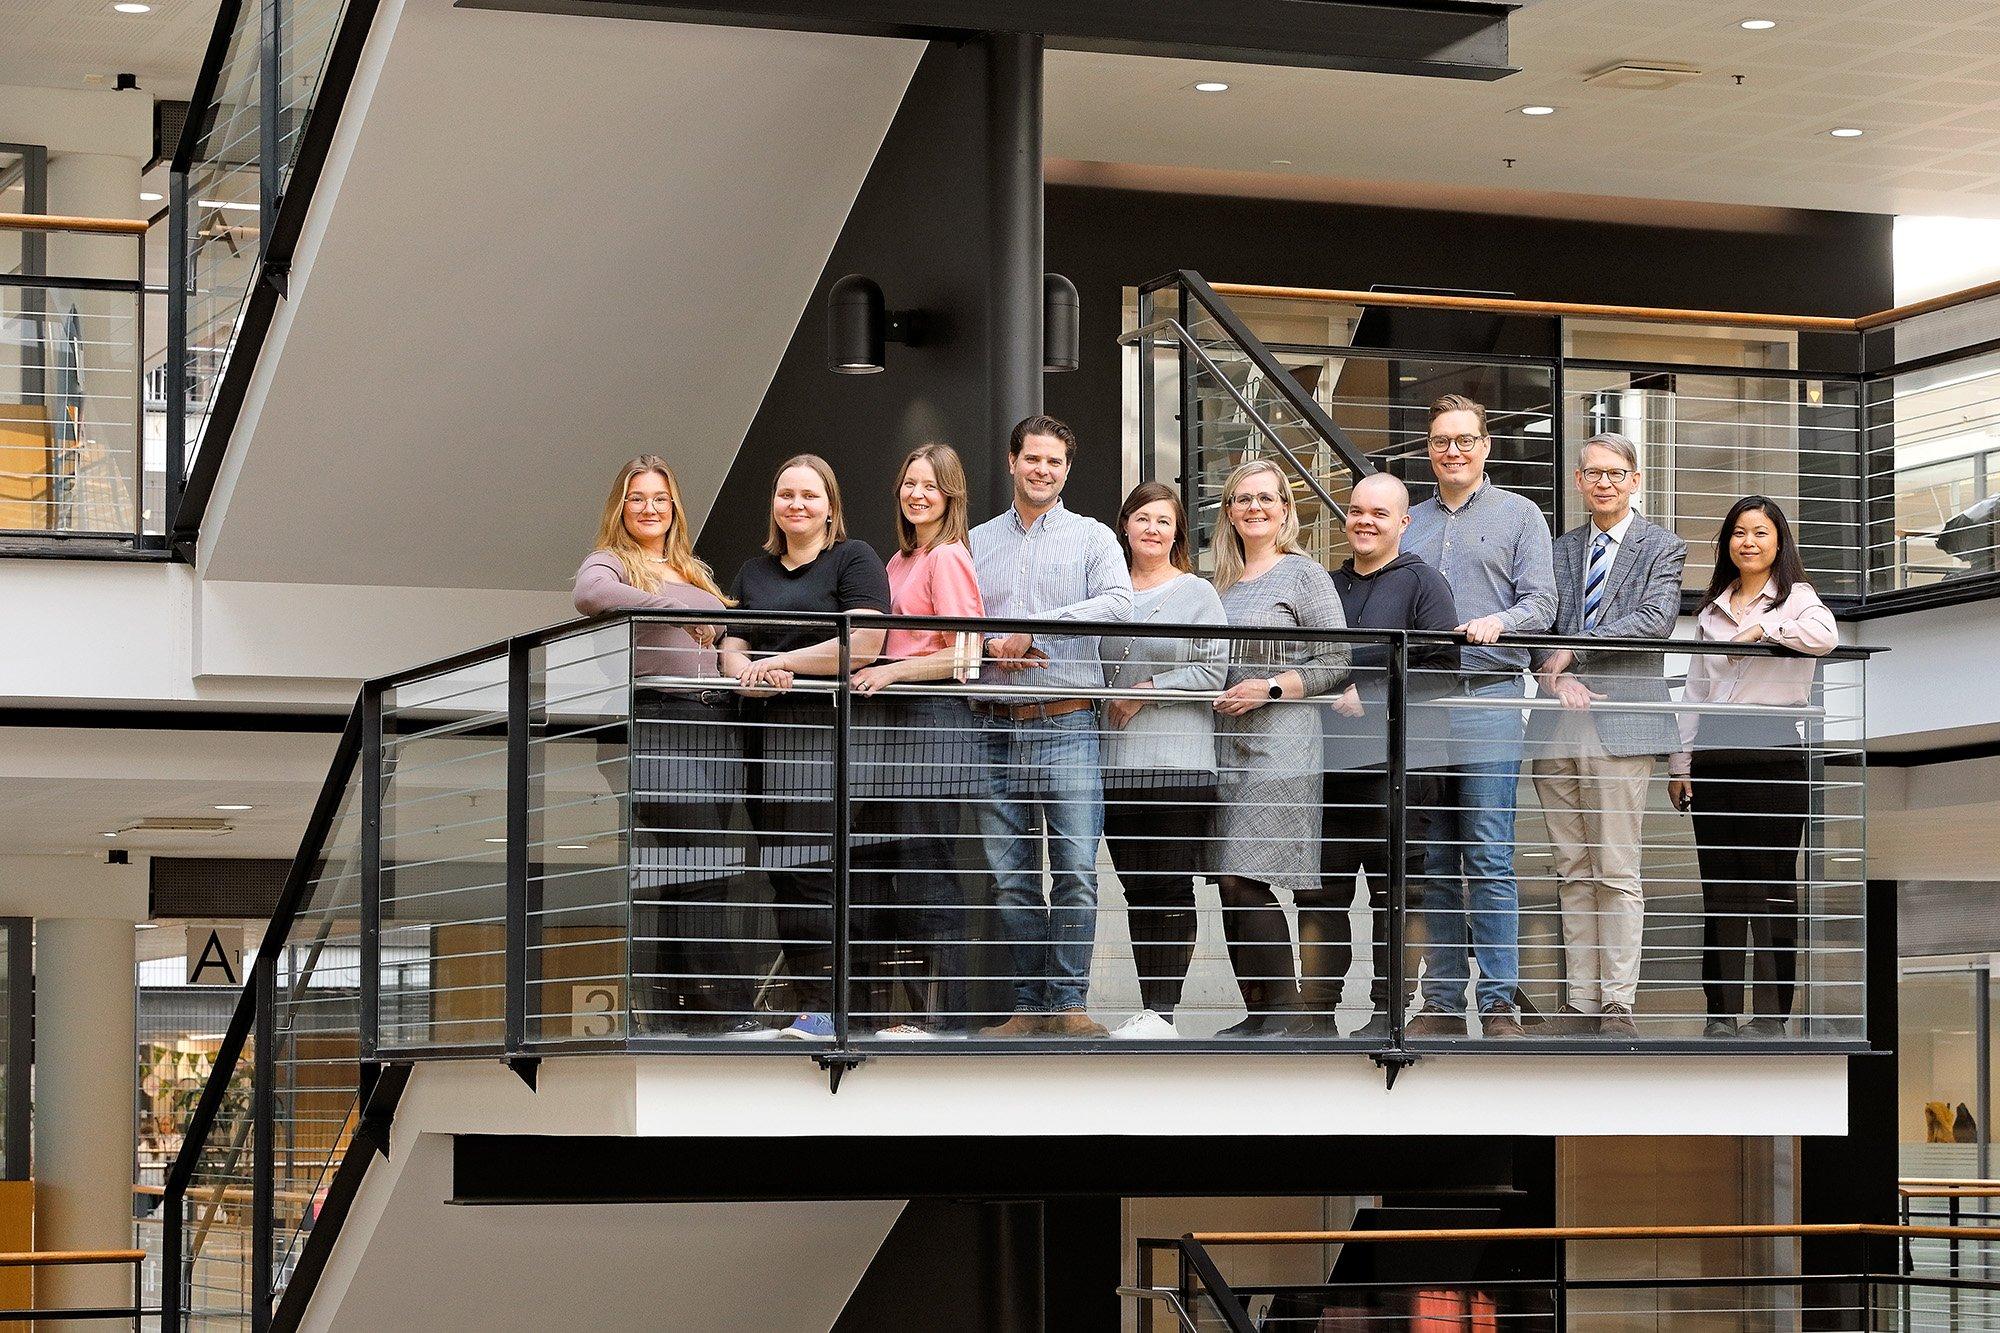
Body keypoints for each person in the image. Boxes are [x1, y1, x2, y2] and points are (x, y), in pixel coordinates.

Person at [969, 413, 1133, 1038]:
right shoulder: (976, 542)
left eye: (1055, 462)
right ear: (1012, 462)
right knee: (1011, 878)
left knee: (1074, 872)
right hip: (992, 727)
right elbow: (955, 618)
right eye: (1032, 458)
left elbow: (1120, 606)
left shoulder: (1093, 538)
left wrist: (1034, 629)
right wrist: (990, 646)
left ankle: (1067, 1002)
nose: (1043, 470)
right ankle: (1029, 1005)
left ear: (1067, 469)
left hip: (1067, 723)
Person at [572, 455, 745, 1034]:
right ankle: (728, 1011)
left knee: (685, 870)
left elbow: (723, 633)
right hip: (657, 720)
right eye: (637, 498)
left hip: (715, 724)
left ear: (675, 508)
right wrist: (686, 605)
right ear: (621, 507)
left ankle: (678, 1012)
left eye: (660, 499)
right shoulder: (611, 562)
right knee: (705, 860)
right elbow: (591, 596)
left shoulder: (693, 568)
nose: (650, 509)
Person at [719, 454, 889, 1040]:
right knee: (783, 873)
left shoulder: (854, 558)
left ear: (830, 505)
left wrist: (779, 664)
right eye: (785, 494)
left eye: (809, 495)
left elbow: (865, 643)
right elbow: (730, 644)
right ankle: (810, 1003)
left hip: (826, 730)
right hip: (764, 731)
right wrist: (746, 669)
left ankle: (831, 1009)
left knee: (817, 871)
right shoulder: (753, 570)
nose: (796, 504)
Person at [1404, 393, 1556, 1039]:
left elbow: (1543, 601)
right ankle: (1440, 1000)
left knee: (1489, 853)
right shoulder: (1406, 520)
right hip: (1422, 703)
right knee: (1434, 855)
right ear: (1429, 449)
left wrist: (1501, 621)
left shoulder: (1521, 514)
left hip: (1491, 696)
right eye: (1442, 440)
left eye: (1465, 439)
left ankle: (1497, 1002)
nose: (1453, 451)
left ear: (1486, 446)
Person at [1528, 433, 1687, 1041]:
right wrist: (1550, 666)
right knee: (1571, 868)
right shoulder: (1561, 548)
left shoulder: (1662, 546)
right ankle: (1579, 998)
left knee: (1617, 869)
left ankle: (1618, 1002)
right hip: (1556, 724)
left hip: (1622, 723)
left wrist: (1573, 657)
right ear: (1577, 481)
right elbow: (1540, 613)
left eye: (1616, 473)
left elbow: (1653, 622)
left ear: (1636, 479)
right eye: (1593, 473)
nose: (1604, 483)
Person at [1668, 496, 1835, 1039]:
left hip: (1774, 748)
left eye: (1760, 533)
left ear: (1779, 542)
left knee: (1770, 885)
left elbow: (1825, 638)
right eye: (1739, 532)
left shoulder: (1799, 599)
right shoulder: (1711, 608)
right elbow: (1694, 691)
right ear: (1727, 543)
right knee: (1718, 885)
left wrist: (1765, 631)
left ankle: (1770, 1015)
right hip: (1716, 749)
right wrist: (1680, 763)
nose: (1749, 542)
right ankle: (1719, 1013)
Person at [1305, 472, 1458, 1040]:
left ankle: (1386, 1013)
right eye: (1356, 511)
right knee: (1323, 893)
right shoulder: (1327, 585)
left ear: (1403, 521)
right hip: (1330, 765)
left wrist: (1367, 694)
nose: (1364, 521)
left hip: (1400, 767)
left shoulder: (1425, 584)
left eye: (1379, 513)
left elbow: (1443, 670)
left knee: (1399, 894)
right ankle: (1316, 1014)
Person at [1210, 458, 1351, 1037]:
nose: (1255, 508)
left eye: (1267, 498)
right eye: (1243, 499)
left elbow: (1336, 660)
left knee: (1247, 874)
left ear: (1286, 511)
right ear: (1228, 512)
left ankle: (1289, 1012)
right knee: (1228, 877)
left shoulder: (1304, 575)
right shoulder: (1218, 581)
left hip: (1282, 738)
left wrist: (1269, 687)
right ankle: (1258, 1011)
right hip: (1224, 743)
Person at [849, 443, 986, 1037]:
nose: (917, 494)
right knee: (894, 872)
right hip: (893, 726)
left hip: (934, 722)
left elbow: (966, 653)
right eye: (909, 483)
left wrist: (892, 670)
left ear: (950, 494)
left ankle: (946, 1020)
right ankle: (907, 1014)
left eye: (930, 485)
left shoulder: (949, 557)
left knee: (929, 868)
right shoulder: (897, 562)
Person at [1096, 482, 1227, 1040]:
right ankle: (1146, 1010)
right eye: (1143, 518)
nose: (1152, 529)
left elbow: (1213, 673)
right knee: (1134, 887)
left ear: (1177, 533)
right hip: (1116, 766)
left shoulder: (1198, 594)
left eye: (1164, 521)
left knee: (1170, 888)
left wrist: (1146, 689)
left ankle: (1163, 1014)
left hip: (1179, 763)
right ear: (1125, 526)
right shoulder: (1105, 590)